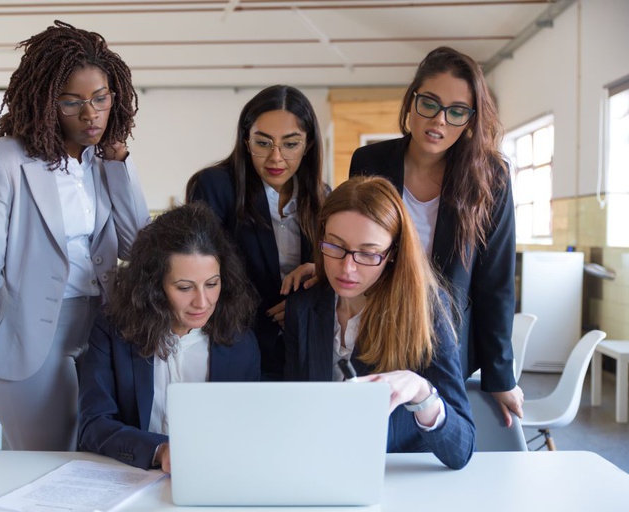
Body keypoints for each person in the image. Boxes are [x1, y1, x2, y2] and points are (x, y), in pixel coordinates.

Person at [0, 20, 150, 454]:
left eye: (101, 98)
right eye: (72, 102)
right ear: (46, 102)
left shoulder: (103, 162)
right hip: (30, 341)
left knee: (104, 462)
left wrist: (119, 164)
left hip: (106, 331)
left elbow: (137, 247)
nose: (91, 114)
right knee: (46, 464)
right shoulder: (4, 161)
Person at [348, 46, 523, 426]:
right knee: (377, 439)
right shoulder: (369, 162)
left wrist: (501, 376)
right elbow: (354, 243)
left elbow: (495, 284)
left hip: (447, 339)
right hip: (379, 325)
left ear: (470, 120)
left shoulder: (490, 177)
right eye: (429, 103)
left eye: (457, 111)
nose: (439, 120)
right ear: (412, 101)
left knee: (438, 438)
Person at [284, 176, 475, 470]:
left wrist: (422, 393)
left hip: (395, 473)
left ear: (393, 254)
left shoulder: (426, 309)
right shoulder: (304, 306)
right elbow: (295, 408)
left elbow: (461, 450)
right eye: (335, 246)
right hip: (321, 467)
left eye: (368, 253)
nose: (347, 268)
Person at [77, 203, 261, 472]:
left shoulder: (239, 339)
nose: (202, 302)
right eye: (185, 287)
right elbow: (93, 424)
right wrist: (158, 450)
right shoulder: (113, 328)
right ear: (154, 286)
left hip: (212, 476)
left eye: (212, 284)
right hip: (130, 477)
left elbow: (250, 429)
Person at [185, 85, 326, 380]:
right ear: (246, 140)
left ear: (308, 144)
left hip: (303, 346)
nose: (276, 157)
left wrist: (303, 304)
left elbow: (336, 274)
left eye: (291, 144)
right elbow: (202, 269)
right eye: (263, 143)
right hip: (235, 341)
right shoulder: (215, 186)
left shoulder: (323, 197)